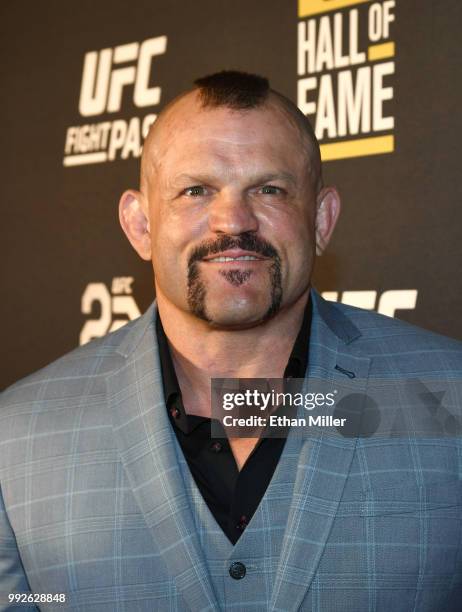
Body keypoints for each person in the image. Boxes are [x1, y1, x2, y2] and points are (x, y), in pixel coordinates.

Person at [0, 71, 461, 612]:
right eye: (196, 190)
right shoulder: (18, 433)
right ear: (140, 225)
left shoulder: (447, 393)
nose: (233, 221)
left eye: (268, 189)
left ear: (321, 218)